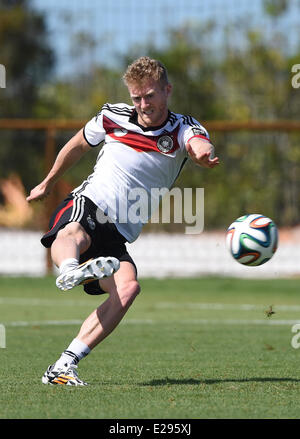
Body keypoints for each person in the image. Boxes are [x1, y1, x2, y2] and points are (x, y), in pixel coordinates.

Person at [26, 56, 219, 386]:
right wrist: (47, 181)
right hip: (90, 203)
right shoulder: (112, 116)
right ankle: (70, 269)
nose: (144, 104)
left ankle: (63, 366)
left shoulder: (182, 127)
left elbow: (198, 143)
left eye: (150, 95)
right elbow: (76, 145)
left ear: (167, 91)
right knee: (74, 232)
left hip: (120, 231)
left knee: (128, 288)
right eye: (137, 97)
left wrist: (203, 153)